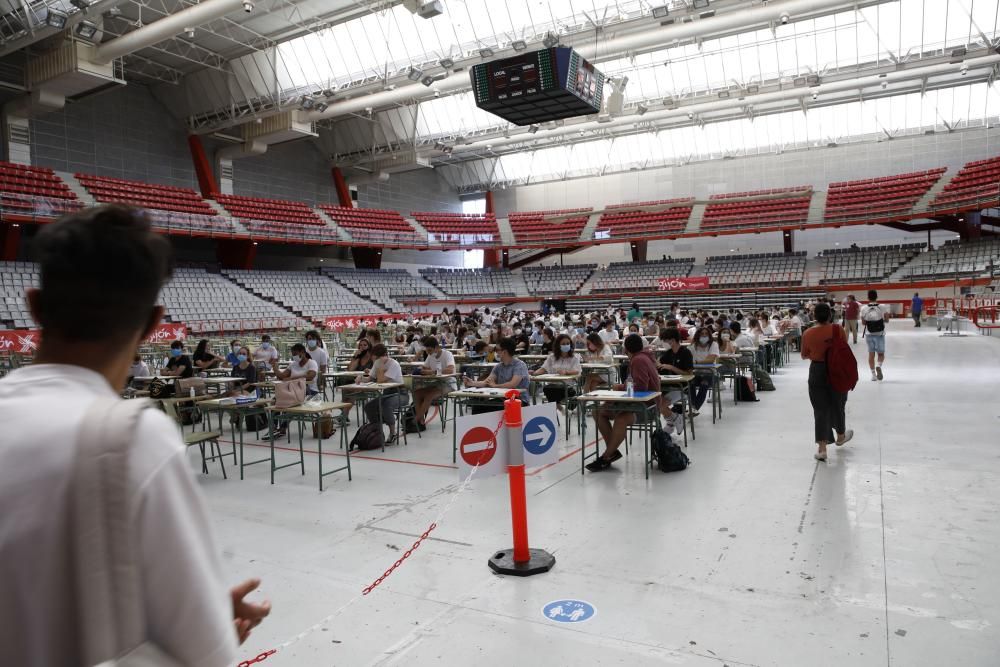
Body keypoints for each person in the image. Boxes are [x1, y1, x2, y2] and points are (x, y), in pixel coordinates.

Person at [0, 205, 268, 666]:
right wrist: (209, 617)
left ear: (35, 305)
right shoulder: (133, 439)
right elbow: (207, 654)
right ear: (152, 323)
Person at [586, 334, 660, 472]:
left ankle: (606, 456)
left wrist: (620, 387)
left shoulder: (639, 360)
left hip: (647, 406)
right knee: (598, 411)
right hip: (635, 403)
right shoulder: (642, 357)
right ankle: (612, 451)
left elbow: (640, 387)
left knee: (621, 419)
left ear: (626, 349)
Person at [800, 303, 854, 461]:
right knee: (838, 403)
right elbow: (843, 348)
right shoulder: (838, 330)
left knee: (820, 408)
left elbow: (804, 355)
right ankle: (841, 435)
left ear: (814, 316)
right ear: (830, 315)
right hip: (837, 370)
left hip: (817, 371)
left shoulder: (808, 333)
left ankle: (822, 449)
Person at [462, 337, 529, 413]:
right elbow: (487, 382)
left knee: (494, 409)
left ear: (504, 352)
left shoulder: (519, 365)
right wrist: (471, 383)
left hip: (518, 400)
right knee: (477, 408)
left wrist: (495, 386)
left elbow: (512, 384)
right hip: (502, 399)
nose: (495, 352)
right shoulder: (498, 367)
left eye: (497, 350)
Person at [364, 344, 409, 444]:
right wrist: (361, 379)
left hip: (400, 393)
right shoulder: (377, 363)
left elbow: (380, 380)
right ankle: (377, 431)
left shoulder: (394, 364)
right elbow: (369, 378)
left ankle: (393, 433)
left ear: (382, 356)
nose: (373, 359)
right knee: (369, 406)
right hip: (387, 393)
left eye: (375, 357)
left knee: (386, 405)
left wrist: (380, 367)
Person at [412, 336, 456, 429]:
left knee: (429, 395)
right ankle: (421, 420)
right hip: (436, 383)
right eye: (427, 351)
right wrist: (421, 369)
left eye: (430, 350)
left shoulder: (447, 354)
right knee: (416, 393)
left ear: (436, 347)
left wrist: (432, 371)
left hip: (448, 383)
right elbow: (424, 367)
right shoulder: (430, 355)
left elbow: (450, 370)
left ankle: (416, 420)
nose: (428, 353)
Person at [657, 327, 694, 436]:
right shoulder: (668, 353)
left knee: (660, 405)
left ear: (672, 340)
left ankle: (673, 420)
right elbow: (659, 364)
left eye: (665, 340)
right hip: (667, 385)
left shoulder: (686, 352)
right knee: (655, 402)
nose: (664, 343)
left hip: (681, 387)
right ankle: (673, 421)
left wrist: (672, 368)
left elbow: (689, 373)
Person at [531, 333, 582, 406]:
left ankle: (557, 409)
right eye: (563, 344)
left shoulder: (575, 357)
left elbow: (577, 371)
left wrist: (566, 372)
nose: (566, 345)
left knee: (550, 391)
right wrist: (534, 374)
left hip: (568, 386)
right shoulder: (552, 357)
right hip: (553, 385)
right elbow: (543, 368)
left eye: (568, 343)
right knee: (547, 388)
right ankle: (559, 409)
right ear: (558, 345)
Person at [861, 289, 890, 381]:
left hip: (869, 334)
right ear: (876, 297)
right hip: (880, 334)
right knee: (881, 354)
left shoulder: (864, 308)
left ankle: (873, 375)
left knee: (871, 354)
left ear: (868, 297)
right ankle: (879, 366)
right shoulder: (882, 307)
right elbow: (887, 320)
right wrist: (880, 320)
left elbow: (863, 322)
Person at [689, 327, 719, 415]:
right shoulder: (692, 346)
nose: (704, 336)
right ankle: (693, 409)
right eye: (702, 334)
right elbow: (689, 361)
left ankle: (694, 408)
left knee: (704, 384)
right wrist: (699, 362)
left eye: (706, 334)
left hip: (711, 374)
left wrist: (697, 362)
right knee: (690, 384)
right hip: (696, 373)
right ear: (698, 335)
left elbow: (710, 359)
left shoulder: (713, 344)